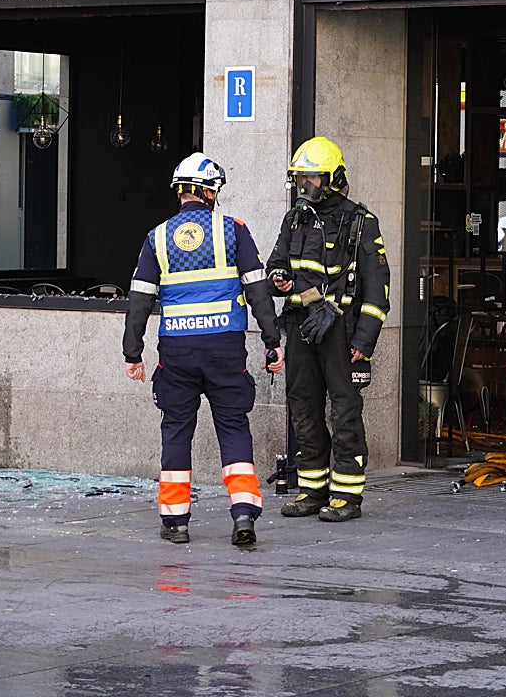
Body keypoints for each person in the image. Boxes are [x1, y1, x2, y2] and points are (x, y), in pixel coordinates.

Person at [123, 152, 284, 546]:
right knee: (233, 428)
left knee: (176, 430)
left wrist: (132, 352)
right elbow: (258, 292)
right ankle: (244, 513)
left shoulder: (157, 237)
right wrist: (272, 342)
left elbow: (140, 298)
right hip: (225, 350)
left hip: (177, 352)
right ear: (211, 192)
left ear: (179, 192)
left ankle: (176, 522)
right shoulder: (234, 231)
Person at [266, 136, 389, 522]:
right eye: (300, 180)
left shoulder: (361, 222)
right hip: (302, 330)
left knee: (346, 413)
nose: (305, 187)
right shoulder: (295, 219)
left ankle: (347, 496)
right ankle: (312, 490)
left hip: (342, 334)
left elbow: (378, 290)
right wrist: (279, 279)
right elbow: (276, 264)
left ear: (333, 178)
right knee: (303, 409)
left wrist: (363, 342)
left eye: (312, 179)